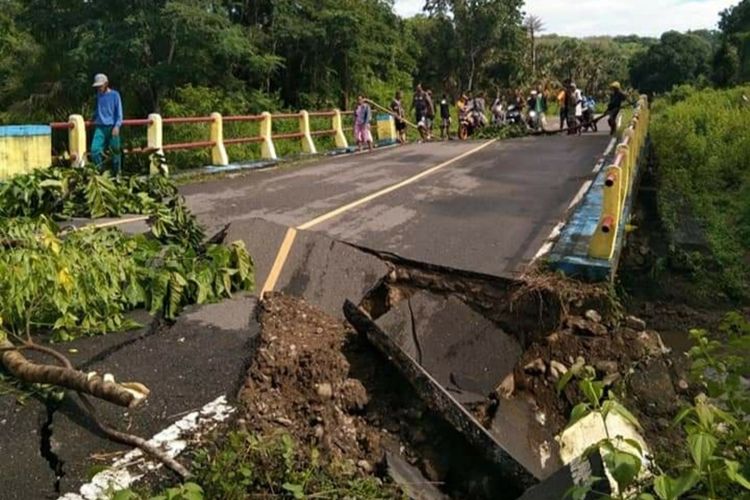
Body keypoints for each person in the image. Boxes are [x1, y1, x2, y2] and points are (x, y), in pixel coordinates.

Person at [91, 73, 123, 176]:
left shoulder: (115, 95)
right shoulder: (98, 95)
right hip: (100, 127)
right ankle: (101, 171)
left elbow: (119, 112)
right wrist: (93, 118)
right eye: (97, 86)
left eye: (100, 86)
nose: (99, 88)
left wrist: (117, 126)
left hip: (112, 127)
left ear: (106, 84)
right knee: (95, 150)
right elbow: (98, 109)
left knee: (115, 152)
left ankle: (116, 173)